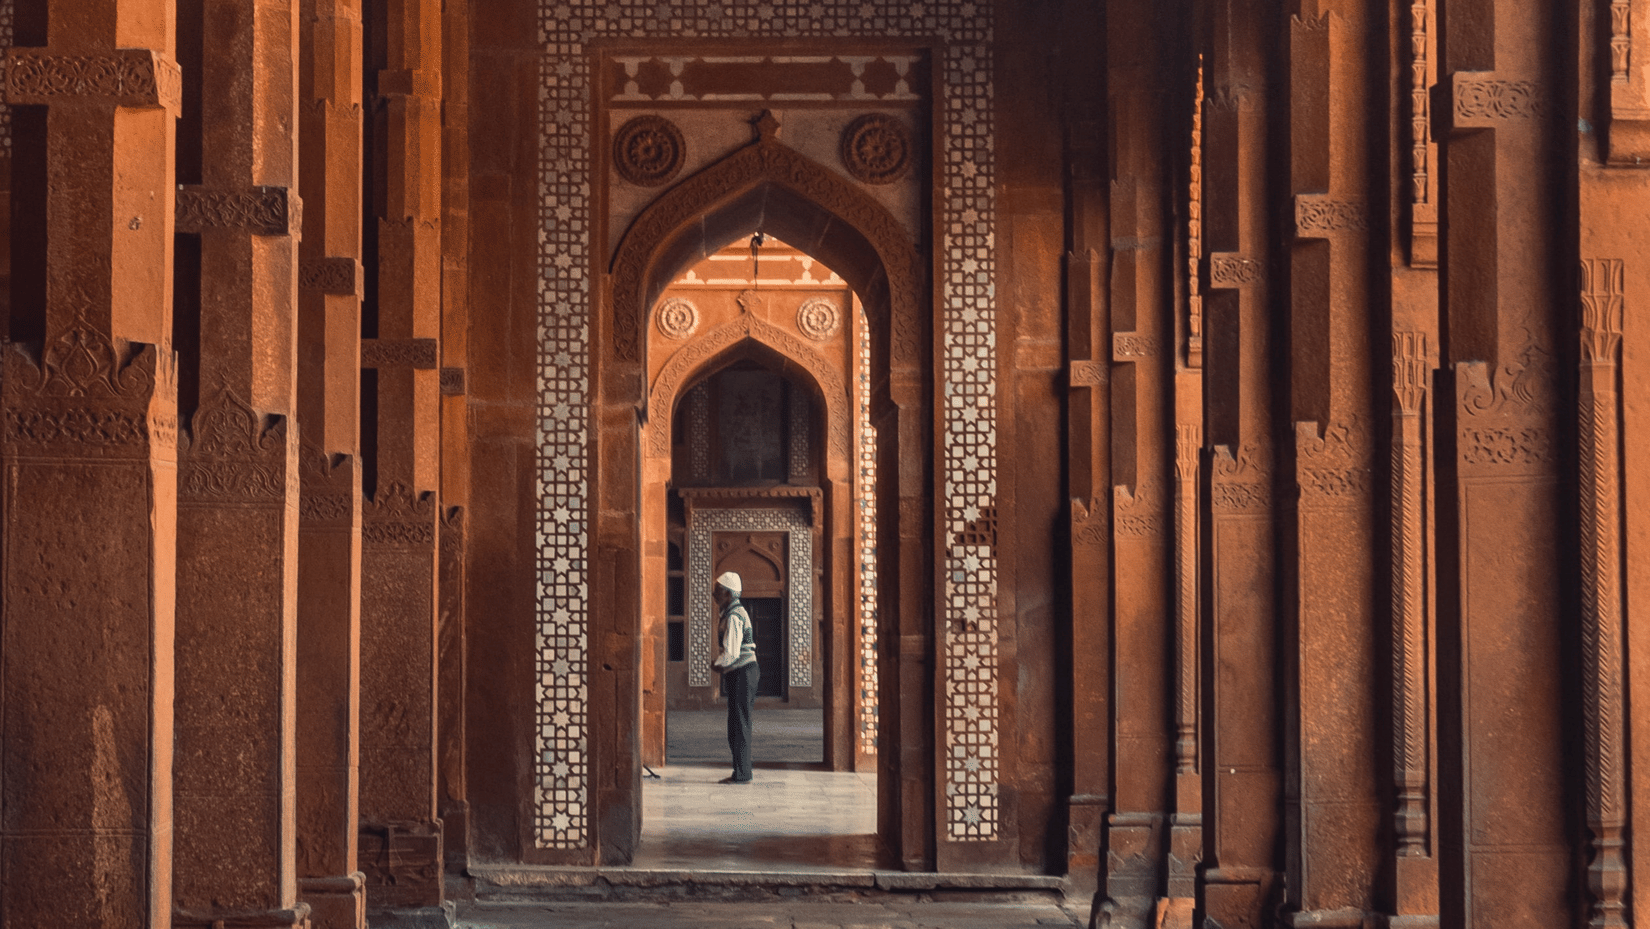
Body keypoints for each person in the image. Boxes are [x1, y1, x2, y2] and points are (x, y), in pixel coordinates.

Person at [710, 571, 759, 784]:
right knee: (737, 723)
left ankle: (742, 774)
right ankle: (740, 772)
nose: (714, 594)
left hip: (743, 672)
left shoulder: (734, 615)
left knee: (739, 724)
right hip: (740, 673)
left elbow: (731, 652)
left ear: (728, 594)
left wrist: (717, 665)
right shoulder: (730, 612)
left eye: (718, 591)